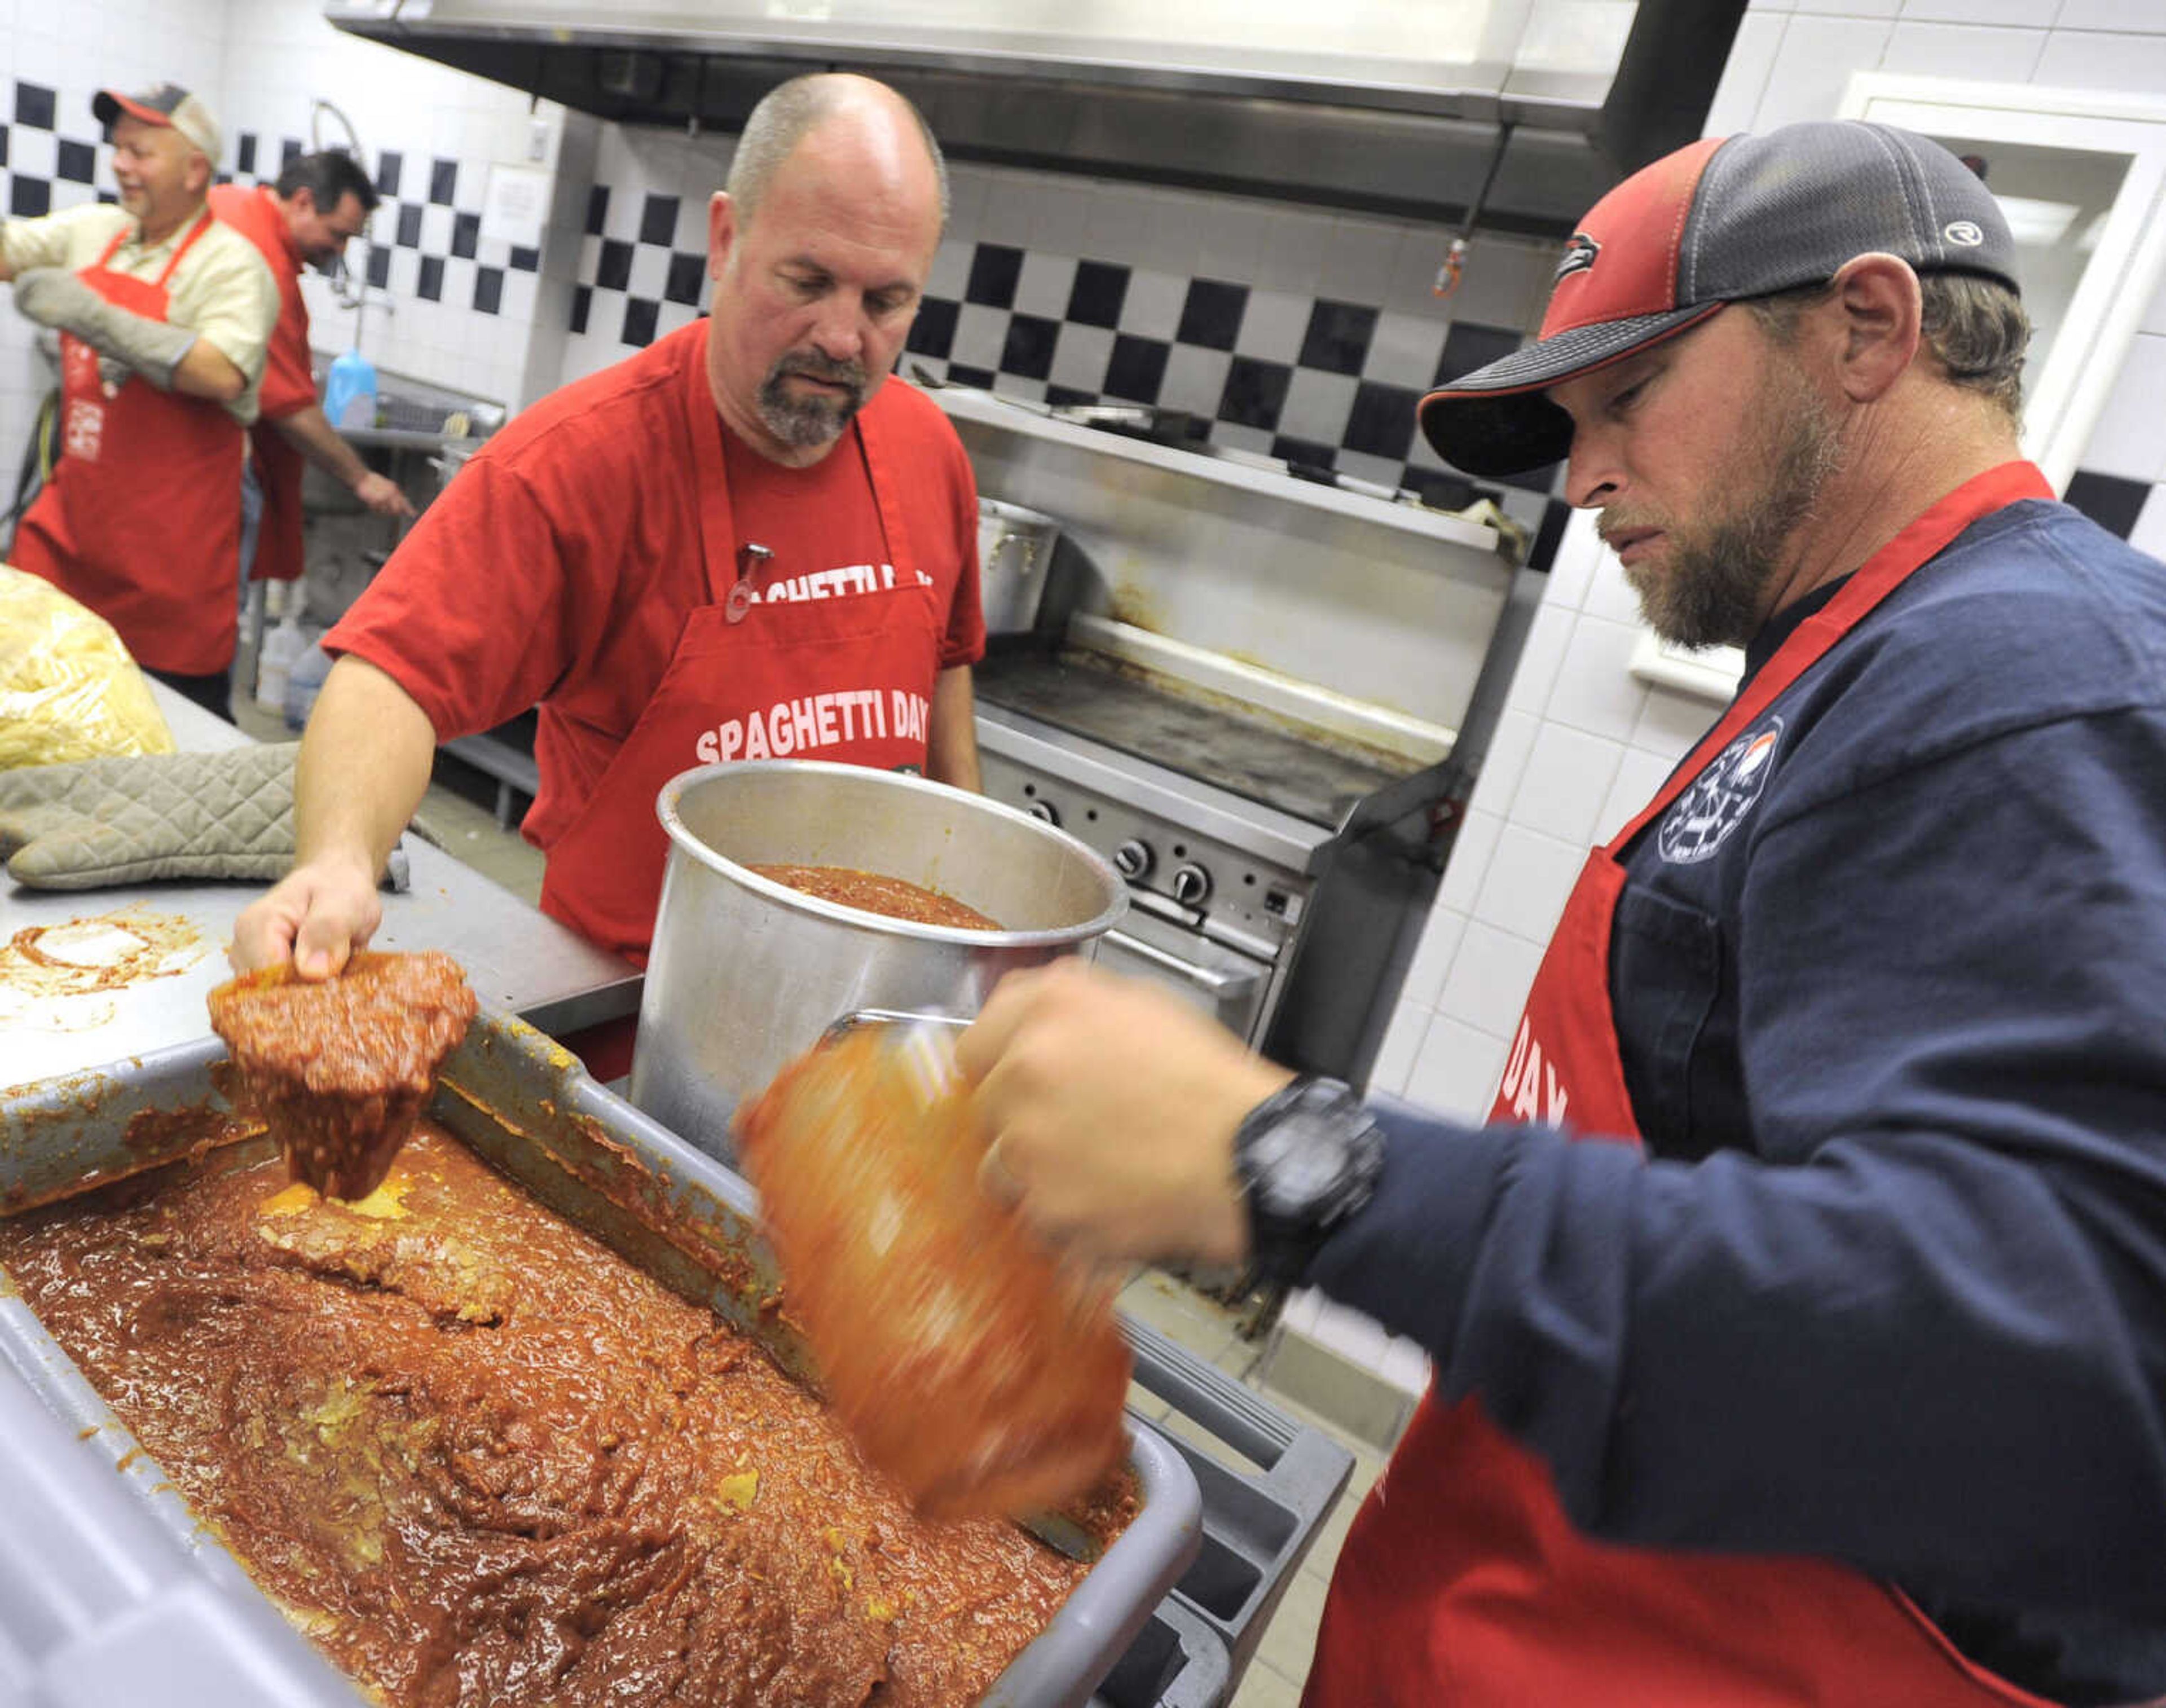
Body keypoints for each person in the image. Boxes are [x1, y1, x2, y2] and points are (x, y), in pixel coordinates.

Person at [957, 120, 2166, 1707]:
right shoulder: (1864, 656)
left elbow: (2057, 1383)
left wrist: (1293, 1171)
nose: (1585, 476)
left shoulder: (2030, 679)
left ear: (1869, 326)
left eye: (1634, 396)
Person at [231, 72, 982, 997]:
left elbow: (945, 676)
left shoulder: (929, 452)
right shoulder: (579, 462)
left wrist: (965, 922)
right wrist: (341, 858)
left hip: (868, 1015)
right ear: (727, 237)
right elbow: (389, 674)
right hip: (635, 1022)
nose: (840, 335)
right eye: (809, 280)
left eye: (885, 303)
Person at [0, 83, 277, 720]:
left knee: (165, 733)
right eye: (118, 149)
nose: (120, 163)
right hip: (70, 540)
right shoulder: (95, 230)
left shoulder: (231, 265)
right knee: (36, 719)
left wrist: (99, 318)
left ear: (195, 169)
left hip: (167, 569)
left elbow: (223, 372)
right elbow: (10, 250)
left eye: (141, 152)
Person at [208, 148, 416, 595]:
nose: (339, 251)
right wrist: (362, 479)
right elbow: (287, 404)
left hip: (171, 460)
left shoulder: (229, 201)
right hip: (208, 466)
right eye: (338, 234)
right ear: (302, 201)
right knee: (208, 611)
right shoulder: (264, 264)